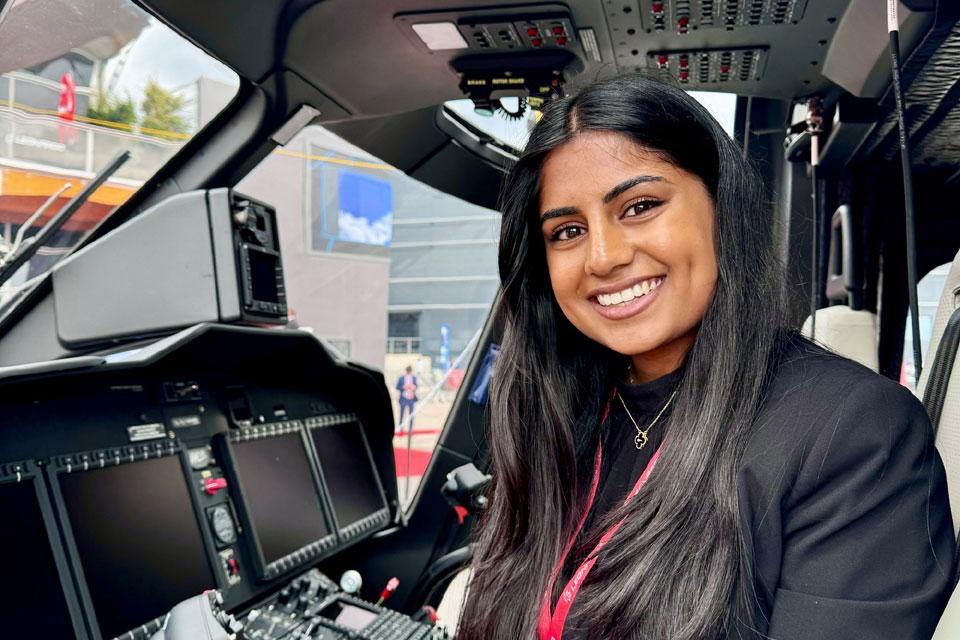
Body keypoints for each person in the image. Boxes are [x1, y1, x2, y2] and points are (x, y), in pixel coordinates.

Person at [457, 74, 955, 640]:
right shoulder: (557, 418)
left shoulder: (853, 435)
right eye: (567, 230)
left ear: (722, 206)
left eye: (640, 206)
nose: (602, 257)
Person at [396, 365, 418, 433]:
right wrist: (403, 387)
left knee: (411, 415)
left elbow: (416, 385)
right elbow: (397, 387)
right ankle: (400, 428)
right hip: (403, 398)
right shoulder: (401, 378)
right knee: (402, 414)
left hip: (411, 398)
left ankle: (410, 429)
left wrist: (414, 387)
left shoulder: (414, 378)